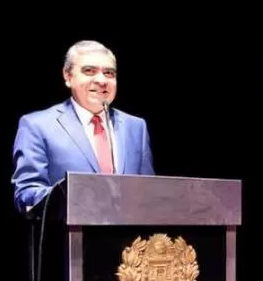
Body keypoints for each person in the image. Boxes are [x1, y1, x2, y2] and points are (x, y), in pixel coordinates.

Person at [11, 40, 155, 212]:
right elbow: (27, 193)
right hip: (70, 235)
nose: (101, 80)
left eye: (109, 73)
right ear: (68, 76)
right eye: (89, 71)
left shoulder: (136, 127)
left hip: (128, 238)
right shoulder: (37, 125)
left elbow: (149, 192)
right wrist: (81, 201)